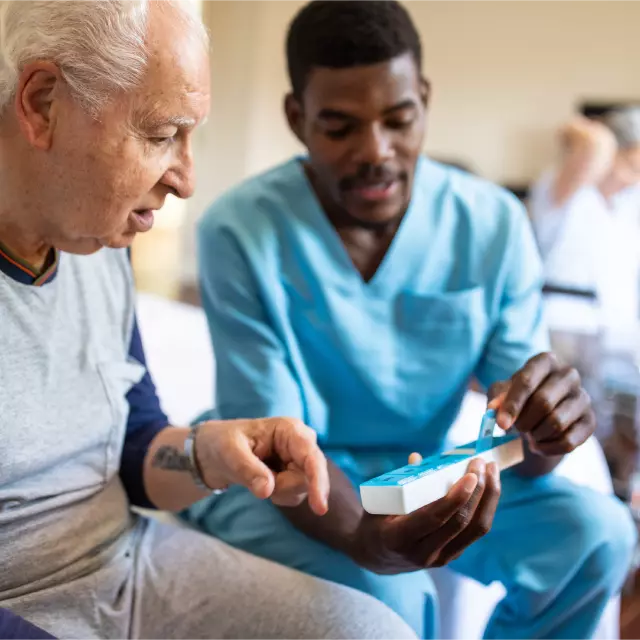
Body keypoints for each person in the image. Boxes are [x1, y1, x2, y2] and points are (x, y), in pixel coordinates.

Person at [185, 1, 638, 639]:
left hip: (418, 472)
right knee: (387, 604)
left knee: (598, 535)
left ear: (424, 99)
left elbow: (516, 444)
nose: (377, 152)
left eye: (398, 120)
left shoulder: (492, 225)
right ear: (297, 119)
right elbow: (274, 450)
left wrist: (547, 430)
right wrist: (367, 542)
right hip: (281, 490)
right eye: (340, 127)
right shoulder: (240, 230)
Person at [0, 1, 419, 638]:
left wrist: (212, 454)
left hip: (128, 566)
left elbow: (134, 446)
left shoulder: (95, 240)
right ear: (43, 102)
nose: (188, 179)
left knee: (373, 630)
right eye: (161, 134)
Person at [529, 109, 640, 333]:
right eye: (630, 165)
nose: (633, 178)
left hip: (616, 328)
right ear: (612, 154)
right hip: (564, 324)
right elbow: (594, 144)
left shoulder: (629, 201)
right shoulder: (564, 189)